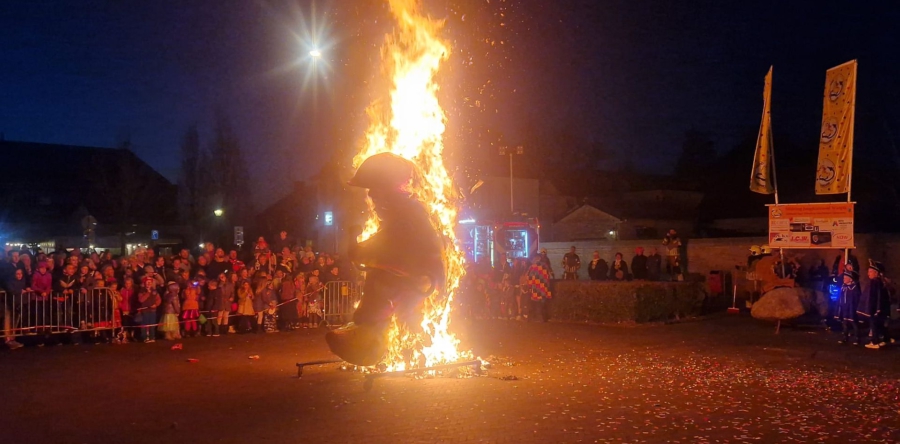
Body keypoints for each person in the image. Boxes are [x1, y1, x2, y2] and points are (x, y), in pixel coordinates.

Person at [326, 153, 445, 366]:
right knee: (379, 286)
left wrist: (355, 244)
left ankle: (369, 341)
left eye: (375, 191)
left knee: (379, 289)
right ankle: (376, 338)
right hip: (413, 280)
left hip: (413, 282)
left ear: (388, 189)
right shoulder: (406, 214)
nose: (371, 197)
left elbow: (376, 250)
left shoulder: (405, 218)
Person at [863, 260, 891, 349]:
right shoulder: (880, 282)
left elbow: (874, 297)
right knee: (879, 324)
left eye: (870, 271)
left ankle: (874, 342)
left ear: (876, 273)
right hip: (879, 309)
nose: (868, 274)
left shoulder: (874, 282)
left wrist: (873, 308)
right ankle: (883, 340)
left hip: (874, 308)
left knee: (874, 325)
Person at [836, 269, 861, 345]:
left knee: (853, 323)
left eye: (845, 278)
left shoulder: (854, 288)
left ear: (850, 279)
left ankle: (857, 338)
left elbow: (857, 299)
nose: (844, 279)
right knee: (845, 323)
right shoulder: (843, 287)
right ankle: (845, 337)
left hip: (852, 308)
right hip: (845, 308)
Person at [526, 256, 552, 322]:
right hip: (545, 287)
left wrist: (529, 287)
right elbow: (549, 276)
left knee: (537, 303)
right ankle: (544, 318)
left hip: (536, 287)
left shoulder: (533, 267)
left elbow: (530, 278)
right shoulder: (545, 266)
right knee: (543, 303)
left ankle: (539, 318)